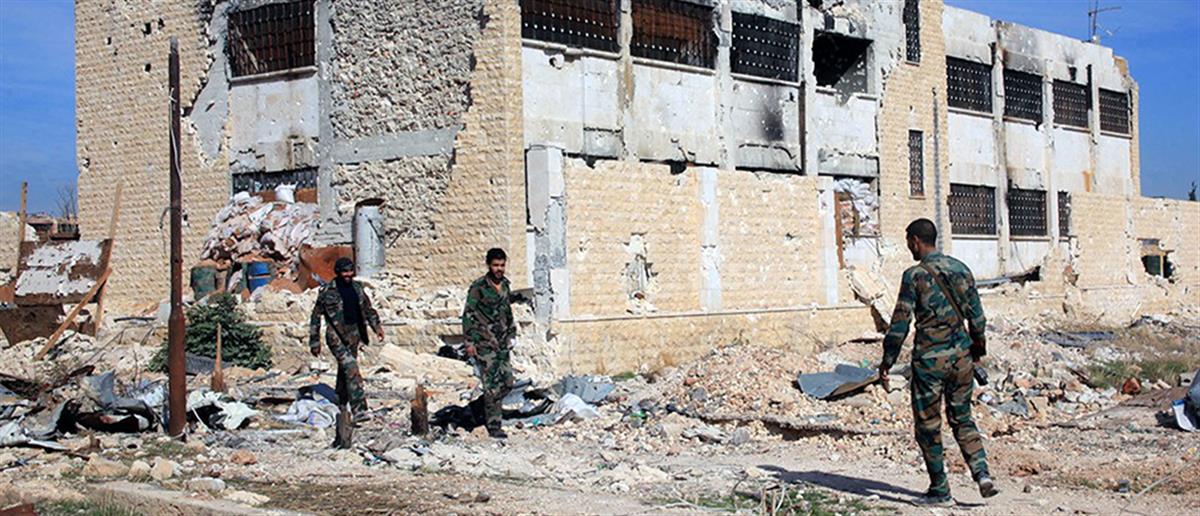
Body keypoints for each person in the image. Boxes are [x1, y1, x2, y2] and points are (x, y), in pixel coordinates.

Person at [878, 218, 999, 506]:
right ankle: (982, 473)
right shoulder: (962, 269)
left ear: (916, 241)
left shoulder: (914, 276)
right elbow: (978, 319)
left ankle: (940, 489)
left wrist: (887, 361)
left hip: (929, 363)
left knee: (928, 425)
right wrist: (977, 352)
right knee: (962, 418)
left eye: (909, 242)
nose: (909, 248)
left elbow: (900, 324)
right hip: (962, 360)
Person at [309, 257, 384, 433]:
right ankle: (360, 410)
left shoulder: (357, 288)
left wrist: (377, 327)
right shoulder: (327, 292)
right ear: (338, 273)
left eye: (350, 271)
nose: (348, 275)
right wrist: (314, 341)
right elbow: (315, 317)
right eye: (344, 272)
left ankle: (341, 400)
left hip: (354, 335)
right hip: (336, 337)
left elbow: (368, 309)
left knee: (345, 371)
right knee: (351, 368)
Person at [461, 248, 517, 438]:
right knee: (491, 384)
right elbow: (468, 314)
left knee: (508, 383)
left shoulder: (505, 285)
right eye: (495, 265)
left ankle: (481, 406)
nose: (499, 269)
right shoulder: (478, 287)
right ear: (488, 265)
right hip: (484, 343)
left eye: (502, 265)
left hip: (502, 343)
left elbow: (507, 311)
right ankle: (494, 426)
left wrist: (512, 334)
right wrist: (469, 342)